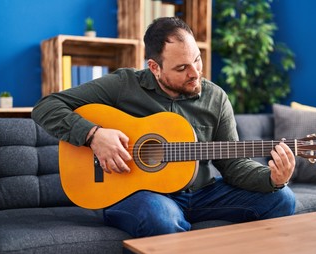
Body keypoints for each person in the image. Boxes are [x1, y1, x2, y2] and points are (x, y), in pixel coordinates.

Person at [32, 17, 296, 238]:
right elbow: (46, 107)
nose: (195, 73)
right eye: (182, 67)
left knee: (282, 197)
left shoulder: (216, 98)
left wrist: (272, 178)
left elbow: (234, 165)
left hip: (203, 194)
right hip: (139, 194)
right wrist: (94, 135)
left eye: (197, 59)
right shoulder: (123, 84)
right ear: (155, 67)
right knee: (161, 215)